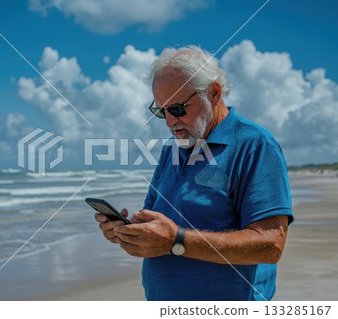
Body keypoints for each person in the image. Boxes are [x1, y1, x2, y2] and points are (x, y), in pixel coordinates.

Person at [94, 45, 294, 301]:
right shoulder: (172, 150)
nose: (169, 122)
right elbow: (157, 223)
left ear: (213, 92)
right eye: (160, 111)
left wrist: (175, 240)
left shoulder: (255, 145)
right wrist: (129, 232)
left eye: (177, 109)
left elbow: (270, 245)